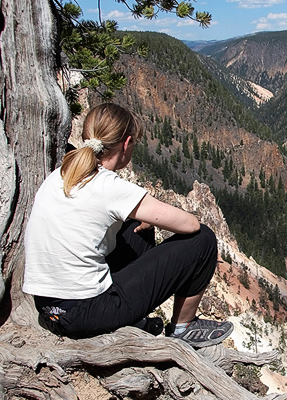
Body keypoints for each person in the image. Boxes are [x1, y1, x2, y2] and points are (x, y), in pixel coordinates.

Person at [22, 103, 232, 347]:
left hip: (49, 309)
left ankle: (134, 319)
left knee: (135, 228)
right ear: (127, 142)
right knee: (203, 239)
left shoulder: (61, 174)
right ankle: (183, 327)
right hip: (86, 313)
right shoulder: (109, 187)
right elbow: (191, 224)